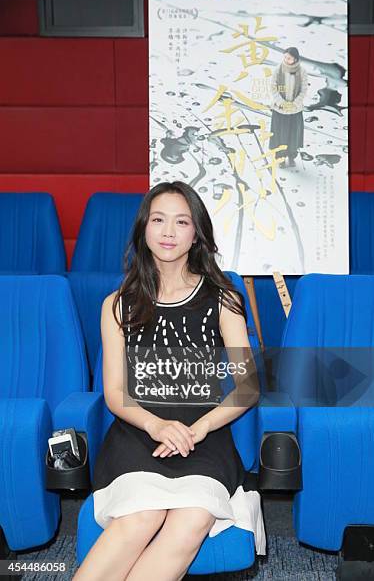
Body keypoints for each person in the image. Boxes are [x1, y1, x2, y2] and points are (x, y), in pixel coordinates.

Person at [73, 181, 265, 581]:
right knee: (141, 516)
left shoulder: (224, 298)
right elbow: (115, 393)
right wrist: (157, 425)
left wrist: (198, 429)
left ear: (196, 234)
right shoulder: (117, 304)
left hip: (205, 436)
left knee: (193, 517)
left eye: (182, 222)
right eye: (158, 220)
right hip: (140, 432)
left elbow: (247, 387)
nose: (168, 232)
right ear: (144, 228)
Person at [269, 47, 308, 168]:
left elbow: (304, 89)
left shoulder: (301, 71)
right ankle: (280, 158)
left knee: (293, 135)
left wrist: (294, 103)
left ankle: (291, 156)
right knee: (280, 135)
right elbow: (273, 88)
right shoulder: (278, 69)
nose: (286, 59)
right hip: (280, 110)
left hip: (295, 110)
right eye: (285, 57)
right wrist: (282, 103)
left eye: (289, 58)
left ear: (295, 59)